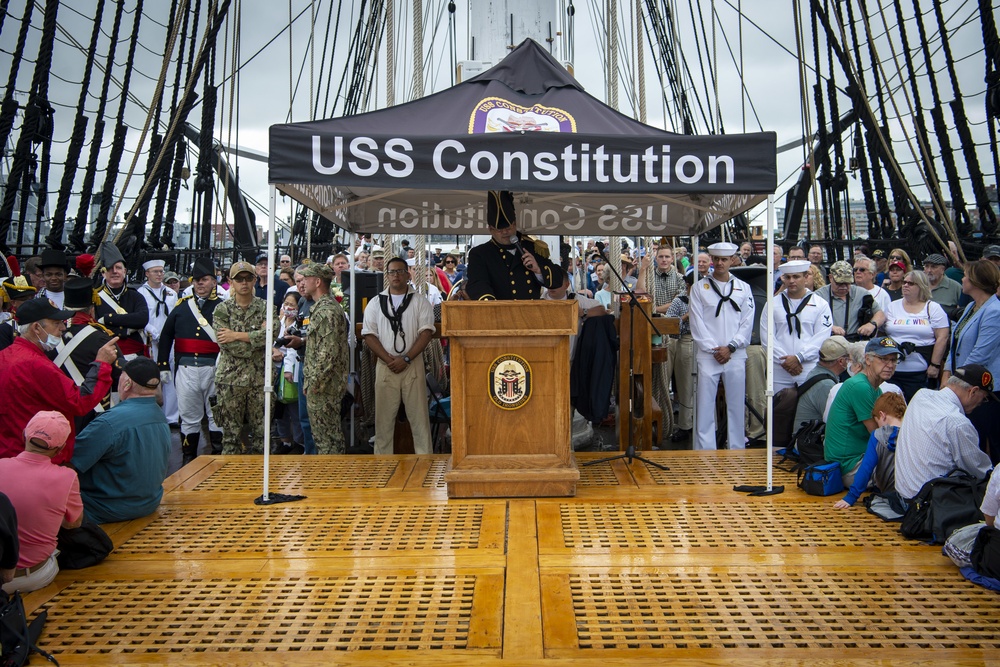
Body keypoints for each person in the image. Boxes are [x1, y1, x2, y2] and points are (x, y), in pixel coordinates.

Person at [0, 299, 117, 464]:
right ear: (36, 327)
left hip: (9, 455)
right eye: (56, 323)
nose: (63, 328)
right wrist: (102, 364)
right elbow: (80, 402)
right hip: (40, 458)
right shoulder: (35, 364)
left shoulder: (5, 355)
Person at [71, 358, 171, 523]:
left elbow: (71, 463)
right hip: (148, 503)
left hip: (106, 508)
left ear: (127, 384)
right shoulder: (159, 415)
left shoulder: (109, 422)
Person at [0, 411, 83, 594]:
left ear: (24, 435)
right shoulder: (67, 477)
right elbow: (73, 523)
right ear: (60, 449)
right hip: (32, 576)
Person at [362, 257, 436, 455]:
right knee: (383, 422)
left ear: (407, 274)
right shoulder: (376, 303)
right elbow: (369, 334)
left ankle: (424, 464)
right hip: (386, 366)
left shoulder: (420, 302)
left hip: (413, 365)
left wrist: (406, 358)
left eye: (400, 271)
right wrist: (389, 359)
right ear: (387, 276)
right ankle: (382, 468)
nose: (396, 275)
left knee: (419, 419)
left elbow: (426, 332)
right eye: (392, 272)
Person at [158, 257, 225, 465]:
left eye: (204, 279)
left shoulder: (223, 307)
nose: (199, 284)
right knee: (189, 416)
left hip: (213, 368)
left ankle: (217, 458)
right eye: (196, 280)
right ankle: (188, 460)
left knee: (216, 417)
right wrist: (162, 365)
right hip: (186, 369)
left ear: (214, 281)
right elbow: (166, 335)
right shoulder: (182, 307)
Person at [688, 242, 755, 450]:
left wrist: (732, 346)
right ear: (710, 260)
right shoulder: (699, 288)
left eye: (723, 259)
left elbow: (748, 321)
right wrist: (713, 348)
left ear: (732, 261)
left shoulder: (744, 288)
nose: (719, 263)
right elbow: (696, 322)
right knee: (705, 406)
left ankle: (736, 449)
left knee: (736, 405)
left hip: (735, 354)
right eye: (715, 259)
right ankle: (705, 451)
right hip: (709, 355)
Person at [895, 365, 995, 500]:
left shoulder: (920, 395)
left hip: (903, 494)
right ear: (973, 391)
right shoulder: (957, 422)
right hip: (932, 505)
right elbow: (979, 470)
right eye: (984, 398)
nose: (981, 403)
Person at [213, 261, 275, 455]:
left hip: (260, 380)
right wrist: (257, 338)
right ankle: (230, 482)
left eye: (248, 278)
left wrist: (238, 335)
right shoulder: (222, 310)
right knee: (231, 438)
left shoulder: (267, 307)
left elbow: (271, 335)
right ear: (231, 282)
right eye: (239, 279)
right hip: (231, 380)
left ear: (255, 280)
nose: (244, 283)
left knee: (262, 437)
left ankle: (259, 481)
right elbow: (227, 344)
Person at [942, 259, 1000, 464]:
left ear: (976, 281)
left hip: (983, 390)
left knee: (988, 441)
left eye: (966, 275)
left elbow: (980, 355)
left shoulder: (994, 312)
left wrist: (955, 382)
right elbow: (955, 343)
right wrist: (946, 373)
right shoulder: (970, 308)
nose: (963, 279)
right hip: (963, 385)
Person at [824, 336, 902, 487]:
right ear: (867, 359)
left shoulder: (875, 388)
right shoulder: (861, 386)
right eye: (883, 359)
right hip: (848, 468)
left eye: (893, 360)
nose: (890, 365)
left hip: (856, 461)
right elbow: (879, 435)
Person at [464, 191, 563, 300]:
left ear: (515, 224)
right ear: (491, 230)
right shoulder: (480, 253)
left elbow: (558, 280)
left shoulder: (533, 248)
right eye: (499, 230)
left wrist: (538, 269)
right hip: (499, 313)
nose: (505, 232)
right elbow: (477, 284)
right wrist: (491, 306)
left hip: (530, 313)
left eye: (508, 228)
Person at [299, 262, 350, 454]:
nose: (302, 283)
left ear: (318, 281)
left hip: (324, 387)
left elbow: (327, 354)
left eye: (306, 279)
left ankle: (332, 478)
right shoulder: (323, 308)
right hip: (323, 385)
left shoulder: (326, 311)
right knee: (325, 437)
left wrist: (313, 383)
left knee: (327, 440)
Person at [760, 259, 833, 392]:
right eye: (787, 277)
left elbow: (821, 337)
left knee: (807, 409)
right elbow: (767, 336)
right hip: (779, 367)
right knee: (779, 408)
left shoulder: (820, 304)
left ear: (806, 278)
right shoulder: (772, 304)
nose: (791, 281)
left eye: (796, 276)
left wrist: (800, 357)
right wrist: (785, 361)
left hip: (808, 366)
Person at [882, 271, 950, 400]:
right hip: (892, 371)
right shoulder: (892, 306)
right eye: (904, 282)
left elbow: (942, 337)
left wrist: (935, 365)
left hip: (920, 372)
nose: (905, 285)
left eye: (910, 283)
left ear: (921, 286)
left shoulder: (933, 308)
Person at [833, 392, 907, 508]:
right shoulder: (913, 433)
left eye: (878, 422)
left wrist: (851, 497)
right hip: (911, 495)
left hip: (889, 494)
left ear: (882, 415)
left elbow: (866, 468)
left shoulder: (878, 435)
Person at [139, 259, 178, 423]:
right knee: (150, 379)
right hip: (151, 340)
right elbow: (141, 317)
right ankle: (151, 415)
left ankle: (171, 417)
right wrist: (154, 332)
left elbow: (175, 315)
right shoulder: (141, 293)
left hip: (170, 342)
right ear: (147, 273)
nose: (159, 274)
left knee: (170, 377)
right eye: (155, 272)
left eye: (161, 271)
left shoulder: (171, 293)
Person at [814, 260, 884, 340]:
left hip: (855, 340)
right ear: (830, 278)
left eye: (847, 283)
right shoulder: (819, 296)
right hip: (828, 340)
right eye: (839, 283)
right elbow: (810, 319)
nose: (843, 287)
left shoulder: (861, 293)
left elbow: (880, 314)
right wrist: (830, 327)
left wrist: (872, 324)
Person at [792, 335, 851, 427]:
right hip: (809, 439)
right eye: (849, 357)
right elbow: (836, 420)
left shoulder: (817, 372)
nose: (851, 360)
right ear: (841, 361)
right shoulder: (826, 385)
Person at [273, 291, 304, 455]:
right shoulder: (277, 322)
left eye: (293, 305)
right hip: (274, 370)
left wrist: (287, 366)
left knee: (294, 408)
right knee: (279, 410)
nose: (288, 307)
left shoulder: (298, 325)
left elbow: (293, 350)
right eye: (287, 303)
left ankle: (299, 442)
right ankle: (284, 441)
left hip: (290, 370)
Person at [666, 272, 695, 441]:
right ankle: (685, 425)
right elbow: (669, 322)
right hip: (686, 340)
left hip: (708, 342)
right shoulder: (681, 301)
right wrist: (686, 316)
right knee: (686, 385)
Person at [0, 274, 37, 351]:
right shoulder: (8, 327)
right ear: (13, 303)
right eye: (24, 299)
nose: (30, 302)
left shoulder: (45, 321)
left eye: (32, 298)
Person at [923, 253, 963, 320]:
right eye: (926, 266)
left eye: (933, 267)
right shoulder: (919, 285)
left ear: (942, 270)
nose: (929, 270)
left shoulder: (955, 287)